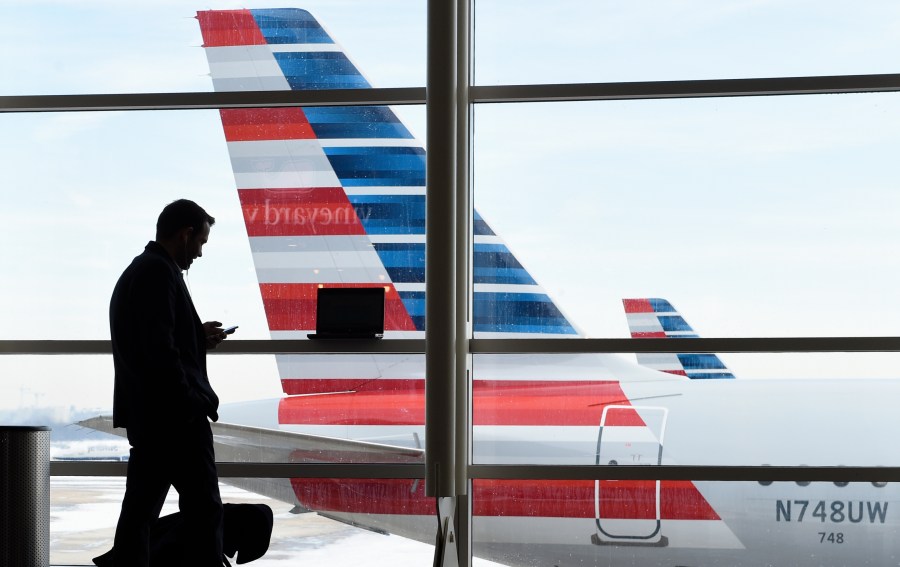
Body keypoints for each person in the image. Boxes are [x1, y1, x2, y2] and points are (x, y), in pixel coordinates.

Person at [108, 199, 228, 567]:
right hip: (175, 420)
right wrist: (191, 401)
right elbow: (159, 351)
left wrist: (194, 332)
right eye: (201, 243)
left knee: (139, 515)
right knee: (205, 511)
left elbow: (155, 336)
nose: (201, 253)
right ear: (185, 234)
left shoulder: (143, 270)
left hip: (153, 417)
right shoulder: (158, 273)